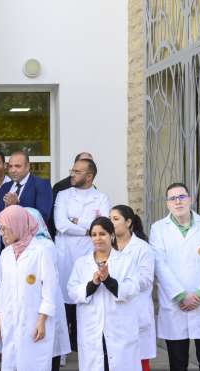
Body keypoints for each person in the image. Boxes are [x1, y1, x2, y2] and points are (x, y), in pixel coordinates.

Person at [149, 183, 200, 371]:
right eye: (172, 198)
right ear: (167, 203)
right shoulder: (158, 229)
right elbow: (159, 265)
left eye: (182, 196)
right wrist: (180, 295)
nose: (178, 201)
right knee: (178, 363)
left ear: (190, 199)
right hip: (175, 303)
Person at [67, 217, 141, 371]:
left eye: (102, 234)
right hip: (91, 330)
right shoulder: (81, 263)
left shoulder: (126, 261)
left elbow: (133, 288)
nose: (98, 238)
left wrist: (108, 280)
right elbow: (72, 291)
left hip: (119, 329)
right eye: (94, 235)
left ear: (112, 235)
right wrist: (92, 284)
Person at [53, 158, 110, 351]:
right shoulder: (63, 195)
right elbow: (61, 224)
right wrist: (88, 228)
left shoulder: (101, 197)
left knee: (86, 294)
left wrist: (77, 221)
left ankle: (81, 343)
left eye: (77, 172)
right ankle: (64, 346)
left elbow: (102, 225)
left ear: (89, 176)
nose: (72, 174)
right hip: (65, 253)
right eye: (73, 170)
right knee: (65, 298)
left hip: (88, 252)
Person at [0, 205, 58, 371]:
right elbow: (1, 288)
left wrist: (42, 320)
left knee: (33, 364)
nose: (1, 233)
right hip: (10, 320)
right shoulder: (5, 254)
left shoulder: (41, 251)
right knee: (11, 363)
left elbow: (49, 290)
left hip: (34, 322)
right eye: (0, 229)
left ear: (17, 225)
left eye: (4, 228)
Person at [24, 208, 71, 371]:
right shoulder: (21, 244)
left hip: (47, 302)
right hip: (33, 303)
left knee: (50, 351)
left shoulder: (45, 245)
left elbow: (45, 279)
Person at [111, 205, 156, 371]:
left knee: (139, 362)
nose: (111, 222)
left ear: (128, 222)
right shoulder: (107, 247)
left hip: (137, 311)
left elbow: (145, 280)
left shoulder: (143, 248)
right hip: (112, 313)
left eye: (116, 219)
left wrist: (119, 285)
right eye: (109, 219)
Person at [0, 151, 53, 223]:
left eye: (17, 166)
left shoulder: (41, 185)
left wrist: (16, 206)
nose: (13, 170)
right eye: (10, 166)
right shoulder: (5, 187)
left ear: (28, 166)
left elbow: (43, 217)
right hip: (5, 230)